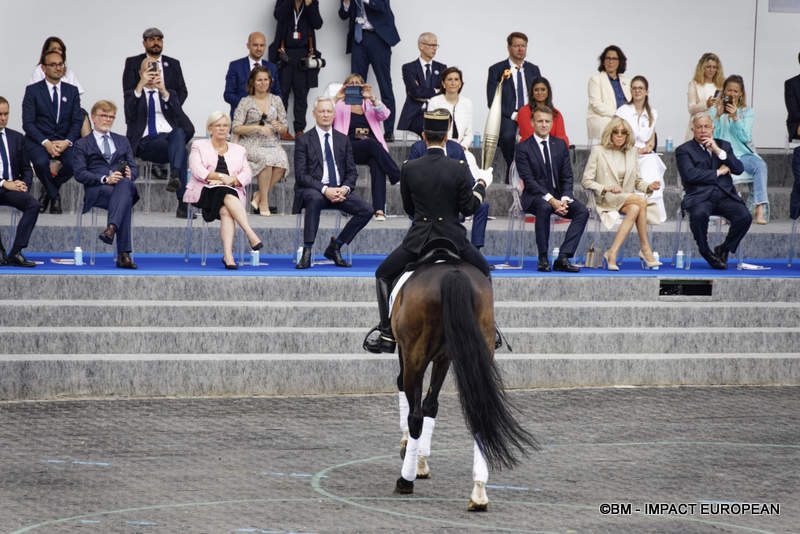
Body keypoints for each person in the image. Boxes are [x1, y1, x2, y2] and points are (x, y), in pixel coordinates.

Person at [365, 109, 491, 354]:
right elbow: (469, 207)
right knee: (484, 273)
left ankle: (387, 333)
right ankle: (488, 329)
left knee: (383, 275)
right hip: (454, 238)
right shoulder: (458, 167)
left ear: (423, 136)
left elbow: (409, 209)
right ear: (446, 136)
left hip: (419, 239)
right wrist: (481, 185)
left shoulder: (409, 168)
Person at [293, 96, 373, 269]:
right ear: (314, 114)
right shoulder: (304, 140)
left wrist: (344, 188)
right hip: (314, 189)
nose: (325, 115)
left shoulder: (343, 139)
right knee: (314, 198)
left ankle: (336, 246)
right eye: (321, 111)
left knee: (367, 210)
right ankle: (307, 251)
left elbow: (352, 171)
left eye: (329, 111)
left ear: (334, 114)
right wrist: (325, 189)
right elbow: (301, 175)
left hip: (338, 191)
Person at [184, 111, 263, 270]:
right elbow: (197, 170)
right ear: (210, 129)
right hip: (204, 191)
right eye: (218, 125)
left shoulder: (239, 149)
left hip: (230, 193)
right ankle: (250, 233)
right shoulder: (198, 146)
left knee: (226, 208)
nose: (222, 128)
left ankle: (228, 256)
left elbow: (247, 173)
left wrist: (231, 180)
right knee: (223, 190)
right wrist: (222, 177)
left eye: (225, 125)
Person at [581, 117, 661, 271]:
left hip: (626, 199)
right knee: (641, 201)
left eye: (623, 132)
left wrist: (649, 186)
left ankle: (612, 252)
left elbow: (637, 181)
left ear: (627, 135)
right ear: (609, 134)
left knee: (635, 208)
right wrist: (606, 188)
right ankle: (645, 249)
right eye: (615, 132)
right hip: (606, 199)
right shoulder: (598, 151)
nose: (619, 135)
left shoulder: (632, 152)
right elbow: (586, 181)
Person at [123, 44, 193, 219]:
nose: (153, 75)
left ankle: (174, 175)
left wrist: (163, 91)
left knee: (179, 134)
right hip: (146, 143)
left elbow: (185, 123)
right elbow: (129, 115)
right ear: (141, 73)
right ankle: (182, 204)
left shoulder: (169, 94)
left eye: (156, 72)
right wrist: (140, 85)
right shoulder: (134, 94)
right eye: (149, 72)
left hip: (169, 142)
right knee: (182, 152)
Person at [407, 109, 492, 252]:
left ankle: (475, 249)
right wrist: (482, 184)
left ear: (449, 126)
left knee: (482, 206)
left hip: (454, 202)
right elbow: (411, 181)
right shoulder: (419, 147)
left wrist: (478, 184)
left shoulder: (456, 149)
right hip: (426, 204)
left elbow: (469, 181)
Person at [516, 106, 588, 272]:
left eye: (547, 121)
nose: (544, 124)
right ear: (532, 123)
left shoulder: (560, 145)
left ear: (552, 123)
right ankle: (543, 258)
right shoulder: (523, 147)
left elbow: (567, 176)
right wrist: (551, 200)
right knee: (545, 206)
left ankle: (563, 257)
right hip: (534, 196)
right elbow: (529, 181)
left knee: (582, 211)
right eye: (540, 121)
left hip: (559, 196)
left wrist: (565, 198)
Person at [676, 112, 750, 270]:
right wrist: (718, 172)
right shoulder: (684, 150)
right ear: (693, 129)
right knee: (698, 215)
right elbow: (690, 175)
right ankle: (705, 251)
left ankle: (724, 248)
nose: (703, 130)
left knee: (745, 217)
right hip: (700, 196)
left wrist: (718, 151)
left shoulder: (724, 146)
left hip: (724, 195)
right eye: (699, 127)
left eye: (706, 127)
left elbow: (738, 169)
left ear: (713, 128)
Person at [73, 101, 140, 269]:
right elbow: (80, 173)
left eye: (111, 117)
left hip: (121, 187)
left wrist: (131, 173)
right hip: (98, 190)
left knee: (124, 185)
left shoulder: (122, 141)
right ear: (93, 118)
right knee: (125, 199)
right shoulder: (82, 144)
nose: (108, 120)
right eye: (104, 116)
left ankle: (111, 228)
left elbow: (134, 167)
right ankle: (124, 255)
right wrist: (105, 179)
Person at [22, 48, 82, 214]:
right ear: (43, 68)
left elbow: (77, 121)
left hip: (64, 140)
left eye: (60, 64)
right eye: (53, 65)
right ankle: (54, 195)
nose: (58, 68)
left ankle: (47, 191)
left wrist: (67, 141)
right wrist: (46, 143)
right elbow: (28, 123)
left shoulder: (72, 91)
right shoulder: (33, 90)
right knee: (40, 163)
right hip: (39, 141)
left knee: (74, 164)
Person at [333, 73, 399, 221]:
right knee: (371, 142)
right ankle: (396, 174)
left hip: (369, 149)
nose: (354, 85)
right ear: (345, 87)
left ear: (363, 86)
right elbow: (326, 116)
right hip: (348, 147)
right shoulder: (340, 105)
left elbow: (385, 115)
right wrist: (336, 98)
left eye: (358, 83)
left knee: (377, 164)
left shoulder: (369, 103)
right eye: (351, 83)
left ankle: (379, 210)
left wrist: (373, 98)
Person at [708, 75, 769, 225]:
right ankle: (724, 212)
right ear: (724, 91)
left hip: (742, 154)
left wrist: (735, 118)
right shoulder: (714, 110)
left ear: (741, 93)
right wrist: (717, 116)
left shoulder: (747, 112)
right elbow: (713, 137)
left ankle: (759, 208)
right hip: (723, 154)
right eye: (729, 90)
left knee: (760, 165)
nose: (732, 94)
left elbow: (745, 137)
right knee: (723, 171)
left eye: (736, 91)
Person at [338, 0, 400, 142]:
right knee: (355, 86)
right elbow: (343, 15)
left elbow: (381, 7)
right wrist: (346, 3)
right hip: (358, 39)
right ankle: (355, 128)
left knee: (385, 84)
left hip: (378, 38)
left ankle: (389, 130)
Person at [232, 66, 289, 217]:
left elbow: (285, 128)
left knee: (282, 161)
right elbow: (236, 127)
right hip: (250, 141)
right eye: (259, 80)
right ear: (253, 82)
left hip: (271, 141)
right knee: (266, 159)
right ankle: (264, 202)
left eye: (265, 80)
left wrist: (279, 127)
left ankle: (258, 195)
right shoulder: (245, 101)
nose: (263, 83)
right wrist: (256, 127)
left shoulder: (276, 100)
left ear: (270, 81)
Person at [122, 28, 194, 139]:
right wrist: (142, 84)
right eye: (152, 39)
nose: (156, 43)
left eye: (159, 39)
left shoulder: (173, 63)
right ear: (144, 43)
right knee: (174, 139)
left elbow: (182, 91)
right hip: (143, 116)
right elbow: (128, 91)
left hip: (168, 117)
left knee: (181, 133)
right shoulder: (133, 62)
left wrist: (170, 106)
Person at [614, 75, 667, 223]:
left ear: (646, 91)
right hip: (625, 152)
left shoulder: (652, 113)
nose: (637, 91)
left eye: (641, 88)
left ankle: (650, 210)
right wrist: (635, 151)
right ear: (631, 90)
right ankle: (634, 207)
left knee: (651, 162)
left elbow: (651, 140)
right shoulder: (622, 111)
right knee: (641, 162)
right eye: (634, 88)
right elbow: (617, 137)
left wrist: (646, 149)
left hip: (644, 154)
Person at [269, 0, 323, 138]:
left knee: (301, 96)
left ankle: (299, 130)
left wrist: (309, 5)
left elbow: (318, 24)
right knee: (282, 95)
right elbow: (278, 16)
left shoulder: (312, 2)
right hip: (285, 54)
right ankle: (282, 129)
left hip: (303, 55)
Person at [486, 32, 541, 169]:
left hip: (530, 113)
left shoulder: (533, 70)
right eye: (517, 46)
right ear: (509, 47)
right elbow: (492, 101)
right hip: (508, 115)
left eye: (523, 46)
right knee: (507, 136)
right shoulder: (496, 70)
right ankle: (512, 168)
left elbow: (540, 94)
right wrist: (513, 115)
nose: (520, 49)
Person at [0, 96, 39, 267]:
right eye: (0, 114)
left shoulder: (16, 137)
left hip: (12, 189)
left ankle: (16, 252)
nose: (3, 118)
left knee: (33, 204)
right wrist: (4, 183)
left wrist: (24, 185)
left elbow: (26, 168)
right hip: (4, 185)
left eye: (6, 114)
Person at [28, 36, 91, 138]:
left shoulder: (68, 72)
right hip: (45, 109)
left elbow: (75, 96)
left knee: (82, 114)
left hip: (67, 110)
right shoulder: (39, 70)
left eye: (60, 49)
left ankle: (88, 146)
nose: (57, 51)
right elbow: (36, 95)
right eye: (54, 49)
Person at [225, 32, 282, 127]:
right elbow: (228, 95)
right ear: (248, 46)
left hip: (267, 122)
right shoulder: (235, 66)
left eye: (262, 45)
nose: (259, 48)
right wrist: (248, 105)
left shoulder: (272, 68)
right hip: (242, 122)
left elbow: (278, 94)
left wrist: (268, 108)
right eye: (255, 45)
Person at [397, 32, 445, 136]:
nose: (435, 49)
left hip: (436, 111)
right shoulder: (408, 68)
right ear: (421, 46)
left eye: (436, 45)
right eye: (431, 45)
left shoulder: (442, 68)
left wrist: (423, 92)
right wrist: (435, 90)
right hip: (415, 114)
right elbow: (416, 92)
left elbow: (444, 91)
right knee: (429, 127)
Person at [587, 45, 630, 144]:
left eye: (614, 59)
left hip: (625, 118)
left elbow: (632, 102)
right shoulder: (595, 79)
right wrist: (617, 114)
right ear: (603, 61)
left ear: (619, 62)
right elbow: (596, 104)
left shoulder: (627, 81)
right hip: (605, 117)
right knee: (614, 127)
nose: (611, 61)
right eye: (608, 58)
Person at [428, 66, 473, 150]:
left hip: (461, 148)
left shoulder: (467, 103)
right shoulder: (434, 101)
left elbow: (469, 134)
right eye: (449, 79)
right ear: (443, 84)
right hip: (440, 148)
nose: (453, 83)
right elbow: (430, 130)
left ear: (460, 84)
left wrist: (462, 147)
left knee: (470, 158)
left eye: (456, 79)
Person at [516, 76, 569, 145]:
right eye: (536, 90)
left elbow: (561, 138)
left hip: (552, 148)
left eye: (543, 90)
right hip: (530, 148)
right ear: (532, 93)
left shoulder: (556, 114)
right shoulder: (523, 111)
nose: (539, 93)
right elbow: (528, 135)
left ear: (548, 92)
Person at [686, 52, 725, 141]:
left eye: (714, 67)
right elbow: (691, 109)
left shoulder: (722, 85)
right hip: (700, 126)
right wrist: (706, 105)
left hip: (717, 126)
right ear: (702, 68)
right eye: (708, 67)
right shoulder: (694, 84)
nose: (711, 70)